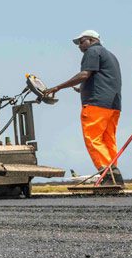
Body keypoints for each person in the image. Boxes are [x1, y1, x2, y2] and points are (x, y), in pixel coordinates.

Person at [44, 30, 123, 183]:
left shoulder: (92, 51)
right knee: (108, 140)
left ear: (91, 40)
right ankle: (115, 176)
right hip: (113, 105)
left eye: (81, 41)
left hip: (96, 104)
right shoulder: (110, 55)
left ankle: (107, 174)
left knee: (93, 139)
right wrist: (83, 88)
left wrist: (58, 87)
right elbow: (104, 79)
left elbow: (84, 75)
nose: (79, 46)